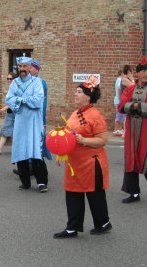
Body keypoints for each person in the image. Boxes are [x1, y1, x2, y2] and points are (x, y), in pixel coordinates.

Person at [53, 75, 111, 239]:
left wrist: (84, 140)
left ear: (88, 96)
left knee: (95, 195)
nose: (75, 94)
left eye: (79, 92)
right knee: (72, 194)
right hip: (74, 163)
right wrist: (62, 153)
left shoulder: (96, 116)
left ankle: (103, 223)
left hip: (91, 163)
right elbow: (68, 136)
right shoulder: (74, 113)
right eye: (76, 91)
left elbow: (103, 140)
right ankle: (72, 228)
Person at [118, 56, 147, 204]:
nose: (145, 74)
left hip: (146, 131)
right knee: (131, 161)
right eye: (143, 71)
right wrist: (133, 106)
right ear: (137, 73)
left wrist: (135, 107)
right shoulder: (130, 89)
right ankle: (134, 193)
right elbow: (121, 106)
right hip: (131, 130)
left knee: (146, 159)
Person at [6, 56, 48, 193]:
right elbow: (9, 99)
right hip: (20, 121)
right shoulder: (14, 83)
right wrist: (23, 101)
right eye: (20, 67)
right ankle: (25, 182)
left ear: (30, 68)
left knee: (35, 149)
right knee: (20, 149)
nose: (22, 69)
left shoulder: (37, 82)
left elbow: (37, 101)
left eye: (25, 66)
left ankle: (42, 182)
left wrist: (20, 100)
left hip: (33, 121)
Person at [12, 59, 52, 176]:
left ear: (35, 68)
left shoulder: (40, 82)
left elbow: (40, 103)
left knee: (35, 144)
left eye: (28, 67)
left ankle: (35, 171)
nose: (25, 69)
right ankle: (27, 168)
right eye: (21, 66)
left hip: (35, 119)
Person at [0, 72, 17, 154]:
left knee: (7, 130)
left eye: (10, 79)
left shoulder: (16, 88)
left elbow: (14, 101)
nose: (8, 80)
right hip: (10, 113)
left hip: (13, 113)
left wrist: (4, 108)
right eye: (7, 78)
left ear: (14, 79)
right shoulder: (11, 88)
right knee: (6, 131)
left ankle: (0, 149)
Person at [119, 64, 135, 137]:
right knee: (127, 116)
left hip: (128, 99)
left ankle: (126, 132)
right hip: (126, 100)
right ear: (128, 71)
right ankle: (125, 132)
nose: (133, 73)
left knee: (128, 115)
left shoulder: (125, 79)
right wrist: (132, 79)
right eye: (132, 71)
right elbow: (134, 87)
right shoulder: (125, 79)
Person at [113, 68, 124, 136]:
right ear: (122, 74)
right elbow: (120, 88)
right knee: (119, 115)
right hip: (119, 100)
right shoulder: (120, 80)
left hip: (117, 100)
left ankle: (119, 129)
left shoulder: (118, 79)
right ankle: (116, 129)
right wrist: (121, 98)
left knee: (120, 115)